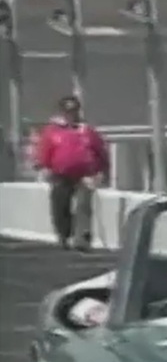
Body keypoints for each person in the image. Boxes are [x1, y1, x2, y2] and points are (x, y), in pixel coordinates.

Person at [34, 95, 110, 251]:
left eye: (74, 110)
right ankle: (64, 234)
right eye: (68, 111)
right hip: (60, 174)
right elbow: (44, 150)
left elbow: (100, 150)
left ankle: (82, 238)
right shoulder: (52, 131)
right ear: (62, 112)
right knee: (60, 205)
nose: (71, 114)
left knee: (83, 205)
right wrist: (43, 166)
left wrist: (102, 170)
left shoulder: (86, 130)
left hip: (86, 174)